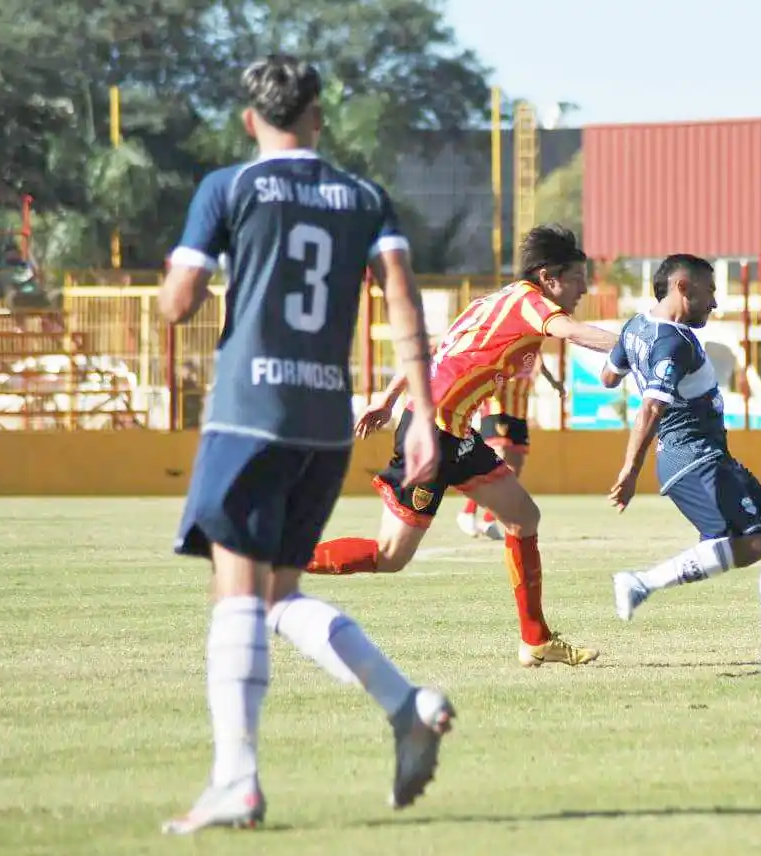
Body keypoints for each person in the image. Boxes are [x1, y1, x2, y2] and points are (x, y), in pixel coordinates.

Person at [157, 55, 454, 835]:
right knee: (278, 598)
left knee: (236, 595)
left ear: (250, 119)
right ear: (318, 116)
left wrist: (180, 280)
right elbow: (404, 302)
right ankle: (406, 706)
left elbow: (177, 304)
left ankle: (236, 780)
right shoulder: (365, 197)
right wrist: (423, 416)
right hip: (325, 423)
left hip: (249, 414)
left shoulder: (228, 187)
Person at [305, 224, 618, 669]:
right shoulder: (531, 303)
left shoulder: (491, 302)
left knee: (523, 516)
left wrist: (388, 398)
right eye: (577, 278)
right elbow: (572, 331)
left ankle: (536, 640)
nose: (583, 289)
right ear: (548, 277)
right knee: (391, 556)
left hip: (453, 430)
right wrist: (634, 345)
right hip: (430, 431)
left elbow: (436, 349)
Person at [604, 254, 761, 674]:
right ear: (682, 287)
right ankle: (641, 583)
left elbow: (609, 376)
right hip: (692, 457)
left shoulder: (636, 326)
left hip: (713, 455)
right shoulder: (673, 343)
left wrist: (631, 351)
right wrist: (630, 470)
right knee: (751, 544)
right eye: (710, 292)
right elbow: (650, 409)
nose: (714, 303)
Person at [456, 361, 566, 541]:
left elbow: (541, 367)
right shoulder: (509, 348)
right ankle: (468, 512)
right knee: (496, 461)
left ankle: (488, 520)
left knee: (514, 468)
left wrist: (555, 384)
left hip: (519, 414)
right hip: (497, 410)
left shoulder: (534, 350)